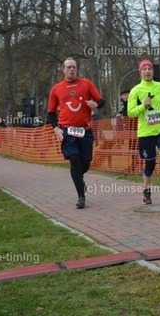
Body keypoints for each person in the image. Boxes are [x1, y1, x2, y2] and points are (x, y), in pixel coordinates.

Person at [47, 57, 105, 209]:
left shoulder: (86, 84)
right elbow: (51, 112)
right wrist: (55, 128)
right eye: (69, 67)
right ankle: (81, 196)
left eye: (74, 67)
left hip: (85, 129)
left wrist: (95, 104)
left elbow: (101, 101)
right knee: (74, 159)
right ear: (63, 70)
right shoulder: (56, 89)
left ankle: (79, 179)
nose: (72, 69)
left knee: (85, 161)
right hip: (67, 130)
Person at [127, 59, 160, 205]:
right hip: (146, 133)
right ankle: (146, 191)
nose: (147, 71)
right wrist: (143, 106)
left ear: (152, 71)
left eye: (149, 68)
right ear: (140, 72)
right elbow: (130, 112)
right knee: (150, 164)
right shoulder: (136, 90)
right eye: (144, 69)